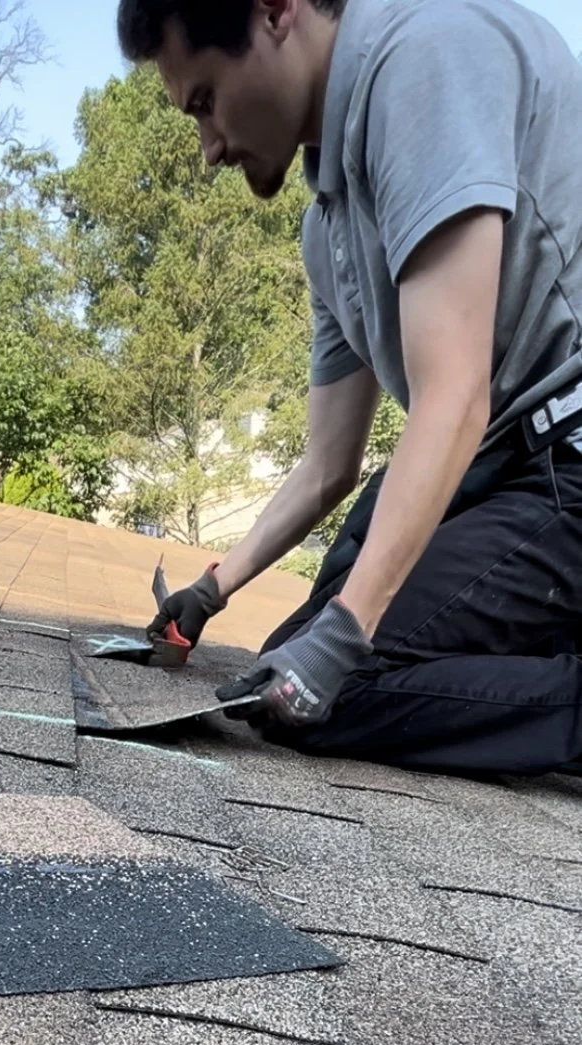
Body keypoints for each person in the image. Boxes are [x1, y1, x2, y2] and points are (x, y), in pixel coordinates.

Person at [117, 0, 582, 775]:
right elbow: (328, 465)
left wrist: (345, 638)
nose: (206, 147)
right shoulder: (329, 226)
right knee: (282, 671)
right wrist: (211, 588)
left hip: (565, 463)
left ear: (274, 12)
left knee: (335, 687)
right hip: (502, 471)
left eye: (204, 101)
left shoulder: (425, 57)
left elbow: (455, 395)